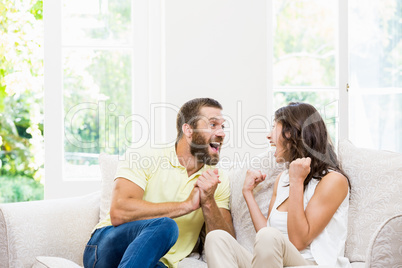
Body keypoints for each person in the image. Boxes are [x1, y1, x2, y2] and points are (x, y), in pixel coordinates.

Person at [83, 98, 235, 268]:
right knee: (165, 226)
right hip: (106, 247)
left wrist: (208, 201)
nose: (222, 133)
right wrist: (186, 206)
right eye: (213, 125)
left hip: (155, 263)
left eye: (223, 127)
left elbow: (226, 245)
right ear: (188, 129)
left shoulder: (216, 179)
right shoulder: (145, 156)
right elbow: (119, 212)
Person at [205, 102, 351, 268]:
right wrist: (247, 193)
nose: (268, 135)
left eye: (274, 127)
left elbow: (299, 241)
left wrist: (297, 182)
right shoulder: (283, 178)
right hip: (275, 262)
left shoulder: (333, 180)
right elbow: (266, 234)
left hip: (311, 263)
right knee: (216, 238)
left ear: (291, 133)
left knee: (269, 236)